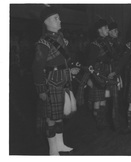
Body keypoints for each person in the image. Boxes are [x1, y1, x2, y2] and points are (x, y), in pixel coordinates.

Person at [32, 6, 79, 155]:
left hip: (63, 80)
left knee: (59, 116)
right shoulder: (43, 43)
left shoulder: (60, 38)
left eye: (58, 18)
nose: (60, 20)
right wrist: (41, 90)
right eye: (56, 18)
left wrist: (70, 69)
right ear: (47, 22)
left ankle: (60, 144)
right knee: (51, 118)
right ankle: (53, 151)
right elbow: (37, 68)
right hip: (51, 83)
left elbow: (63, 60)